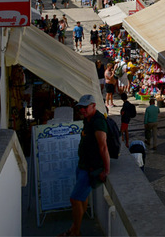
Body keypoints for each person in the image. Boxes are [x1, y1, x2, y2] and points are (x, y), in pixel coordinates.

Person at [60, 94, 109, 237]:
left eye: (85, 107)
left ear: (93, 105)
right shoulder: (89, 119)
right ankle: (75, 228)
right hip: (83, 165)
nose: (82, 110)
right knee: (81, 198)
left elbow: (103, 147)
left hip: (90, 168)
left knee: (75, 199)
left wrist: (106, 170)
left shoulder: (98, 122)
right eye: (80, 107)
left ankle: (75, 231)